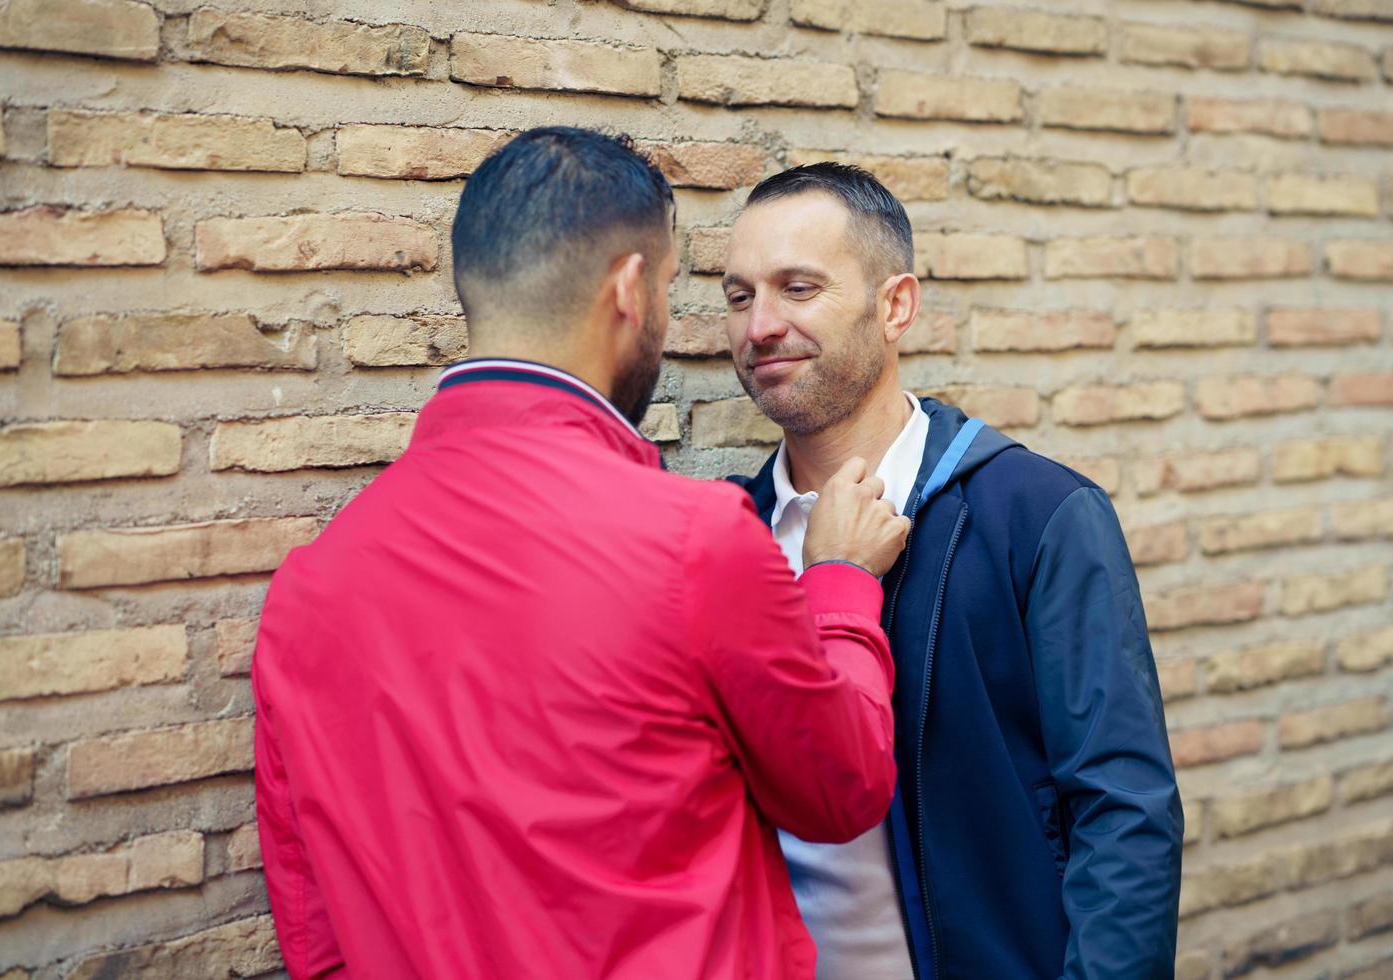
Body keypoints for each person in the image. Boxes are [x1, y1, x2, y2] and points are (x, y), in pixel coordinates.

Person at [251, 129, 910, 979]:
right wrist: (843, 585)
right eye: (679, 288)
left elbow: (314, 929)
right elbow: (841, 788)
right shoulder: (692, 539)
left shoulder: (310, 586)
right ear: (631, 291)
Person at [722, 163, 1184, 979]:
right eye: (738, 296)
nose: (760, 325)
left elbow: (1126, 815)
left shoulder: (1035, 513)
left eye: (798, 288)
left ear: (895, 305)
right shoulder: (727, 538)